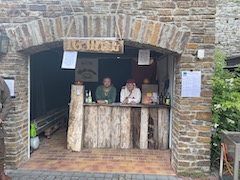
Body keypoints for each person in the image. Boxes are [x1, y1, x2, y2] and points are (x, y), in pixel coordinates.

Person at [0, 76, 12, 180]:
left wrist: (1, 117)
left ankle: (1, 174)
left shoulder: (0, 81)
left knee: (0, 150)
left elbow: (7, 101)